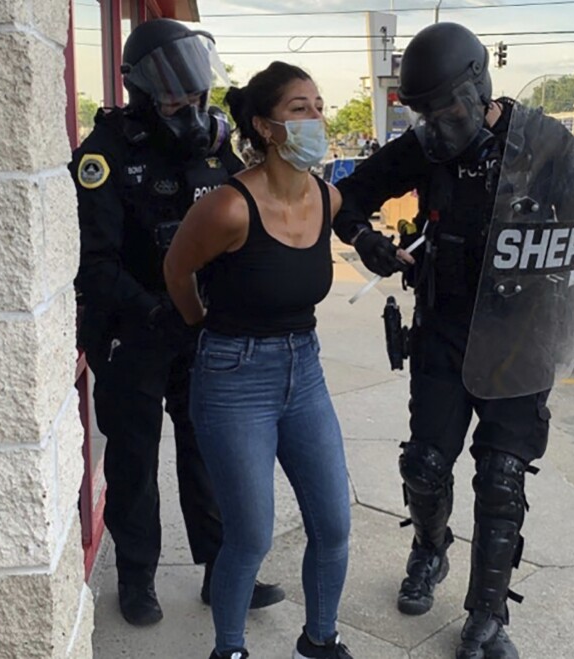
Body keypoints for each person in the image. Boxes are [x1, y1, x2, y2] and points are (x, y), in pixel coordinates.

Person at [332, 23, 574, 659]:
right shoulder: (425, 147)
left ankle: (488, 614)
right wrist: (368, 242)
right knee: (425, 466)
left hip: (521, 337)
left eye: (449, 107)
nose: (440, 123)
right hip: (444, 330)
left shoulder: (547, 144)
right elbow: (347, 197)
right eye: (425, 112)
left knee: (503, 477)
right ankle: (430, 550)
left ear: (480, 85)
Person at [69, 18, 284, 628]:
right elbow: (92, 263)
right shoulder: (105, 155)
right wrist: (157, 306)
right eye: (174, 94)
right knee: (134, 462)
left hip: (200, 335)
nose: (188, 105)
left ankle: (223, 573)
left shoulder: (215, 148)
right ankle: (137, 578)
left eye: (195, 92)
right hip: (132, 335)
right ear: (141, 91)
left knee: (211, 455)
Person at [164, 62, 353, 659]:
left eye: (319, 106)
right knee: (249, 535)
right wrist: (204, 328)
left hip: (306, 371)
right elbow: (176, 270)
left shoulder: (329, 197)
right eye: (301, 108)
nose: (317, 119)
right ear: (267, 127)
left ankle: (320, 639)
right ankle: (230, 649)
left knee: (334, 525)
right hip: (233, 377)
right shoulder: (229, 206)